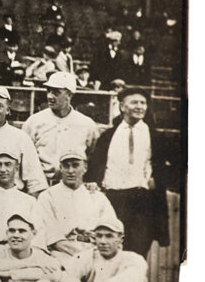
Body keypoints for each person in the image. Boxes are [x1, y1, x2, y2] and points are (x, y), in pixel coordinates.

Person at [87, 87, 170, 257]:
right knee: (111, 250)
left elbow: (172, 165)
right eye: (134, 102)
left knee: (137, 251)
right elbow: (95, 166)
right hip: (114, 199)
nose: (140, 106)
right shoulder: (108, 136)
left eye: (143, 103)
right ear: (123, 106)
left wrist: (156, 179)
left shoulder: (156, 136)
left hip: (143, 200)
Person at [37, 150, 119, 263]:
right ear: (60, 168)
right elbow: (53, 239)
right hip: (62, 254)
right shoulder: (48, 196)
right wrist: (84, 254)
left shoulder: (97, 197)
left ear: (85, 167)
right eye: (66, 166)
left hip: (96, 250)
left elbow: (112, 229)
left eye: (75, 165)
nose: (71, 171)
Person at [22, 71, 98, 184]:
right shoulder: (34, 122)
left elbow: (93, 156)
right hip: (41, 185)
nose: (49, 96)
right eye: (48, 91)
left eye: (56, 92)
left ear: (69, 95)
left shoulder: (86, 124)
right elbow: (23, 156)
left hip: (73, 186)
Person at [0, 150, 46, 249]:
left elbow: (38, 234)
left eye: (8, 164)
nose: (3, 169)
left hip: (22, 253)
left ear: (16, 167)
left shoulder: (29, 201)